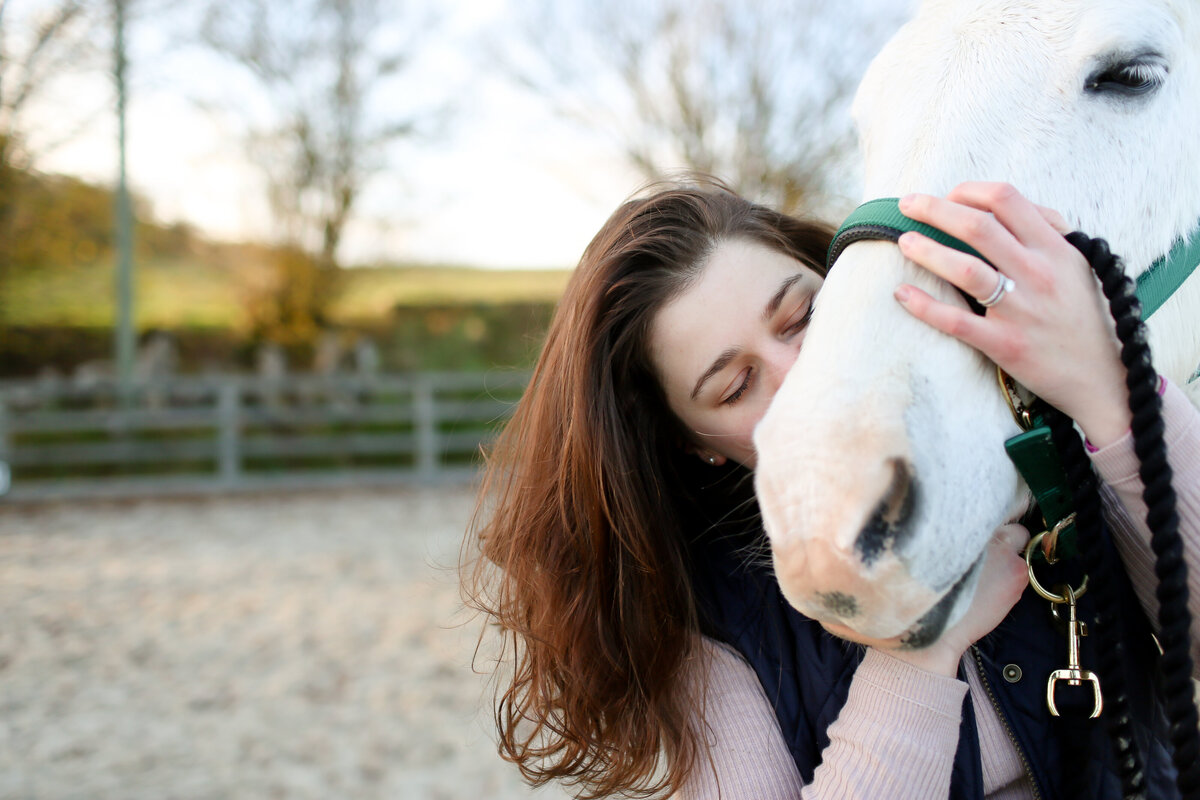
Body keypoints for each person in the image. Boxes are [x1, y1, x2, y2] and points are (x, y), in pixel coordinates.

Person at [461, 177, 1200, 799]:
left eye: (803, 315)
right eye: (736, 386)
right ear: (697, 446)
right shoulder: (713, 622)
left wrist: (1111, 392)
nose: (804, 376)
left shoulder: (1032, 432)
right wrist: (916, 652)